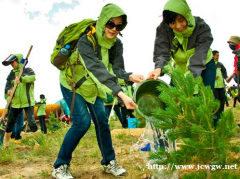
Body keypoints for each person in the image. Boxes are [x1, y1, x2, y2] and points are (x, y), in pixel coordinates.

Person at [52, 3, 144, 179]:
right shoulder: (86, 40)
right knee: (82, 122)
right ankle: (60, 166)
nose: (114, 29)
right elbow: (96, 68)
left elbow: (117, 71)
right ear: (102, 22)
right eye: (110, 24)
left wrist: (129, 77)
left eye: (119, 26)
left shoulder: (117, 45)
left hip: (95, 87)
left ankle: (109, 162)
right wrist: (120, 94)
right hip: (74, 84)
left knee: (102, 121)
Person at [147, 0, 216, 93]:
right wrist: (159, 68)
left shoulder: (201, 27)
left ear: (187, 15)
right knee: (175, 99)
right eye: (172, 23)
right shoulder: (164, 29)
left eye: (181, 20)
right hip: (180, 68)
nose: (178, 26)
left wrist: (187, 84)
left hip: (204, 65)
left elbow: (199, 57)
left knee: (204, 99)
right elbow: (162, 54)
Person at [2, 54, 38, 148]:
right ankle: (5, 143)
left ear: (18, 61)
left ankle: (38, 142)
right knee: (10, 122)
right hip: (15, 103)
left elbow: (32, 78)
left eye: (12, 62)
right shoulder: (11, 74)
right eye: (10, 63)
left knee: (31, 122)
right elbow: (7, 87)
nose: (11, 64)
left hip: (28, 101)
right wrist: (8, 92)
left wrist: (21, 79)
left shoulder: (27, 70)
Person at [212, 50, 228, 116]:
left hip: (221, 86)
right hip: (214, 86)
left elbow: (224, 72)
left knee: (222, 101)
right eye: (217, 55)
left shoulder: (220, 64)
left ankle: (221, 115)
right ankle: (216, 115)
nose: (218, 57)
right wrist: (213, 77)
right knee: (216, 101)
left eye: (218, 55)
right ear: (213, 55)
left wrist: (226, 78)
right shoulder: (210, 65)